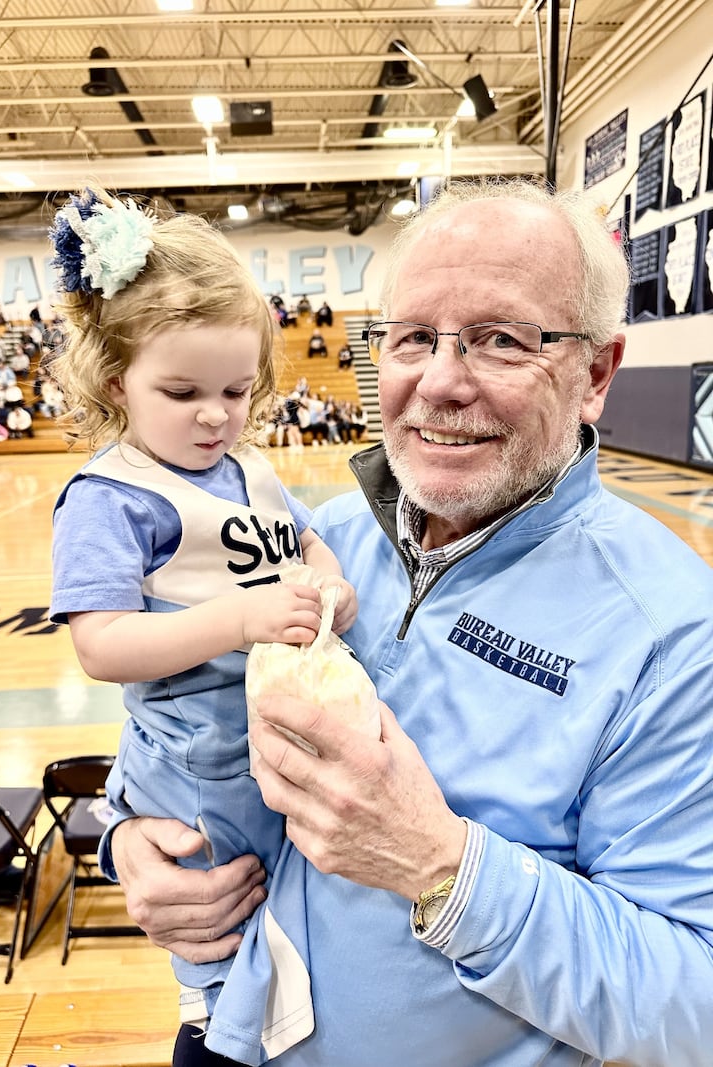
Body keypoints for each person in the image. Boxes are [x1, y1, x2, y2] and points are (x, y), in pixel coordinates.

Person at [103, 178, 713, 1067]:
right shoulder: (317, 540)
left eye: (502, 340)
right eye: (414, 337)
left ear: (597, 373)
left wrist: (441, 866)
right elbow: (179, 709)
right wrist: (131, 832)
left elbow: (693, 1001)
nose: (440, 381)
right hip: (229, 1031)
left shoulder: (669, 633)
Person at [48, 187, 358, 1063]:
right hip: (193, 763)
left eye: (236, 389)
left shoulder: (251, 467)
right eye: (181, 391)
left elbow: (310, 543)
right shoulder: (110, 496)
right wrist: (238, 617)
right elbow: (101, 644)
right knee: (225, 927)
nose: (216, 414)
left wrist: (331, 591)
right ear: (117, 380)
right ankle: (217, 1023)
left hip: (264, 732)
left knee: (297, 903)